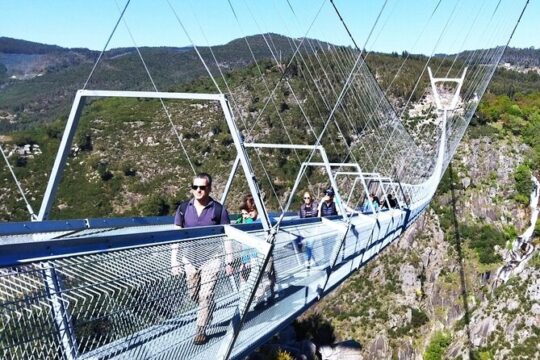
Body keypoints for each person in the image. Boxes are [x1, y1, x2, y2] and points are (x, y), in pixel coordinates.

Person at [170, 172, 231, 345]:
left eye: (202, 187)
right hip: (189, 259)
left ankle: (200, 330)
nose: (198, 190)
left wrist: (229, 260)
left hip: (212, 257)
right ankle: (209, 306)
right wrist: (174, 261)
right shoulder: (183, 208)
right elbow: (175, 235)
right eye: (195, 187)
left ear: (209, 188)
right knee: (194, 294)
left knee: (206, 294)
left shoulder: (219, 210)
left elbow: (228, 236)